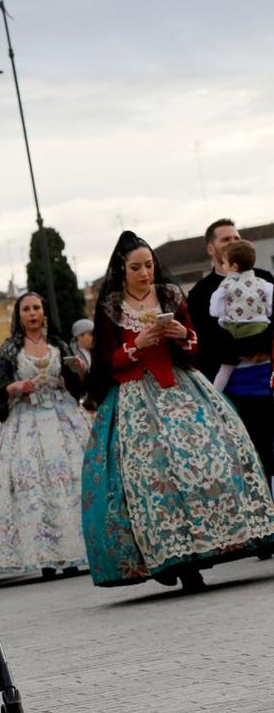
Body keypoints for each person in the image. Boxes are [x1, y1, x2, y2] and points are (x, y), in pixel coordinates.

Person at [82, 231, 274, 590]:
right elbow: (105, 363)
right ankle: (177, 561)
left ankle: (223, 539)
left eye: (149, 265)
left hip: (184, 388)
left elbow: (194, 343)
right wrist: (137, 345)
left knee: (213, 458)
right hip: (136, 397)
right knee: (153, 476)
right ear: (122, 270)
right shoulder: (111, 307)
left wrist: (179, 333)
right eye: (136, 267)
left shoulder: (170, 293)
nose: (144, 273)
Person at [0, 293, 91, 577]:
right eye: (26, 309)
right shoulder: (10, 349)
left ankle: (76, 551)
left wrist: (76, 372)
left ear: (44, 312)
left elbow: (77, 388)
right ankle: (45, 558)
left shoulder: (58, 344)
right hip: (25, 421)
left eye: (36, 307)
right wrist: (15, 389)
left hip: (63, 418)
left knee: (71, 482)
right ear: (19, 315)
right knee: (34, 486)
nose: (32, 313)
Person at [187, 219, 274, 480]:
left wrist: (262, 347)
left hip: (269, 372)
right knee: (253, 455)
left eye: (236, 238)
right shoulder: (201, 293)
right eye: (226, 239)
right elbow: (205, 335)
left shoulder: (265, 279)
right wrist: (245, 349)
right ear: (211, 248)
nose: (233, 242)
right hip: (236, 386)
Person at [208, 240, 273, 391]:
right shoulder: (264, 284)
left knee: (225, 369)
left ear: (234, 266)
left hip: (237, 334)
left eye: (224, 263)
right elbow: (269, 308)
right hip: (261, 332)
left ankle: (215, 396)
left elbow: (215, 311)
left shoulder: (225, 286)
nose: (222, 266)